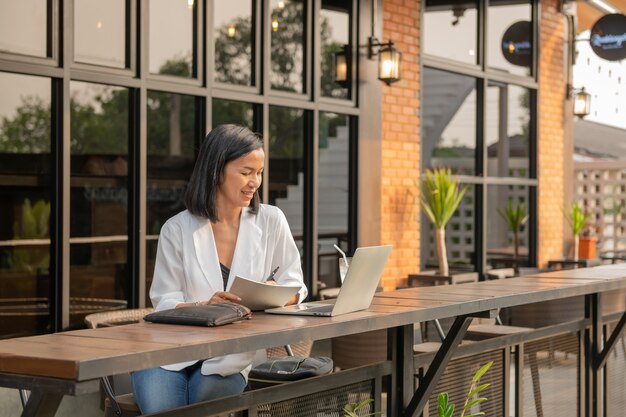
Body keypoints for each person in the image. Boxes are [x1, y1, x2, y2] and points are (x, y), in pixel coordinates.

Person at [131, 124, 307, 413]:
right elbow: (163, 300)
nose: (255, 182)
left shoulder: (271, 221)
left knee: (203, 404)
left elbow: (296, 287)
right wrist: (205, 306)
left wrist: (271, 293)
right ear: (216, 170)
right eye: (246, 172)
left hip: (231, 357)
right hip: (167, 354)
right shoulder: (177, 229)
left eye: (259, 172)